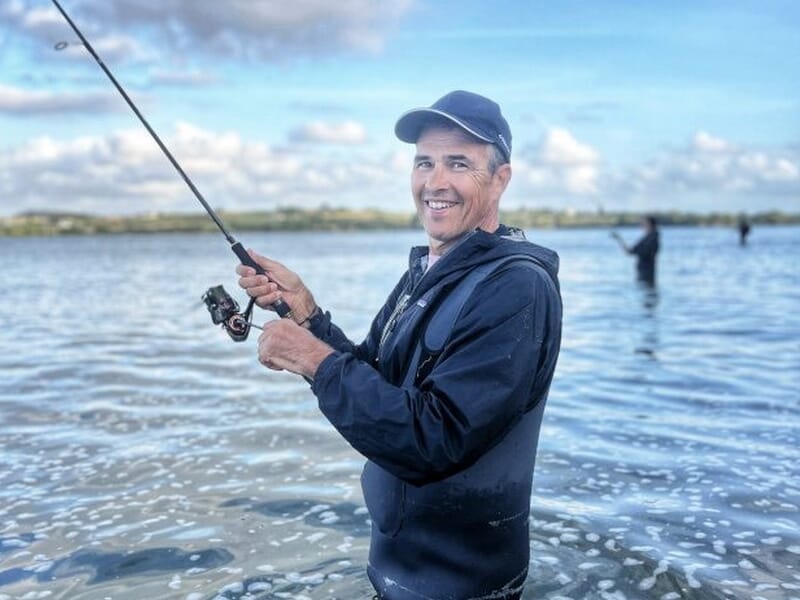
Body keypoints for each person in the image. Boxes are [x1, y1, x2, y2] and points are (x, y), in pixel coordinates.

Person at [236, 90, 563, 600]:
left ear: (501, 179)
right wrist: (306, 314)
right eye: (424, 162)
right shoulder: (427, 272)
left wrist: (313, 361)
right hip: (398, 572)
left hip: (461, 586)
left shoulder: (517, 287)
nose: (435, 182)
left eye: (459, 163)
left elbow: (435, 437)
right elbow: (381, 379)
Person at [611, 215, 660, 285]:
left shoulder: (651, 239)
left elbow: (631, 251)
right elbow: (630, 251)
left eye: (644, 223)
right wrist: (619, 239)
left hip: (646, 272)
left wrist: (619, 239)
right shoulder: (650, 238)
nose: (642, 225)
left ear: (649, 224)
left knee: (647, 288)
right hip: (644, 271)